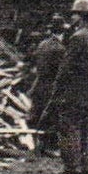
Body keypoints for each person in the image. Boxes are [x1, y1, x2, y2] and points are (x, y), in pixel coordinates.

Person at [56, 0, 88, 174]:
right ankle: (87, 167)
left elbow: (66, 68)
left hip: (77, 93)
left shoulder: (77, 37)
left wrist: (58, 89)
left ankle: (72, 167)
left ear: (81, 16)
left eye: (74, 14)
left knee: (71, 128)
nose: (71, 18)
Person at [28, 15, 67, 156]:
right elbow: (60, 71)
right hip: (51, 86)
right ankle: (50, 147)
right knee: (52, 115)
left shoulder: (42, 44)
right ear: (61, 31)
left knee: (39, 114)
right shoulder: (59, 49)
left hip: (39, 84)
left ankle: (40, 145)